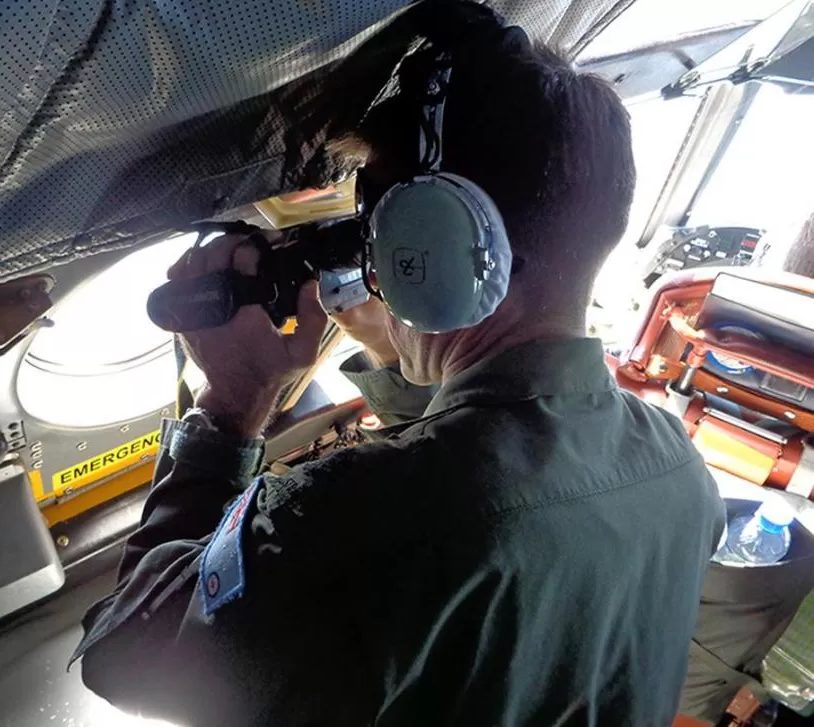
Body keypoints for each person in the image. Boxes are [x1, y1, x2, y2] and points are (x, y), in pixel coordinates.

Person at [73, 8, 725, 726]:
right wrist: (396, 352)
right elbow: (497, 488)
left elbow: (126, 651)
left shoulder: (360, 512)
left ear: (430, 246)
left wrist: (230, 408)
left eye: (380, 234)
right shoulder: (679, 470)